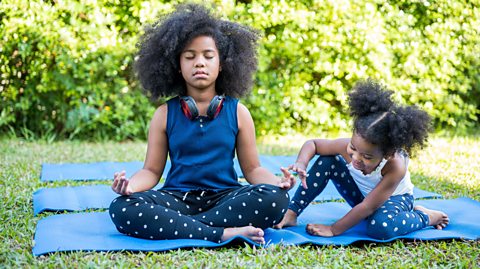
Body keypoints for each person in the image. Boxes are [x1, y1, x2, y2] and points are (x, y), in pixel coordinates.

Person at [109, 3, 295, 244]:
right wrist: (130, 187)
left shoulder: (239, 112)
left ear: (222, 64)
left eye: (208, 56)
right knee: (122, 207)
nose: (199, 63)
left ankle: (182, 228)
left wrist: (277, 183)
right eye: (190, 56)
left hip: (226, 198)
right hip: (177, 200)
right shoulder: (164, 114)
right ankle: (220, 232)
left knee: (276, 199)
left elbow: (252, 170)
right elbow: (152, 171)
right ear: (177, 65)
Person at [275, 79, 449, 239]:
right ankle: (292, 212)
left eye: (366, 156)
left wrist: (334, 229)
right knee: (327, 160)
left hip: (393, 200)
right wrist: (301, 163)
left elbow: (368, 207)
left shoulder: (395, 166)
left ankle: (424, 216)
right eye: (353, 148)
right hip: (363, 197)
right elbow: (313, 143)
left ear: (387, 154)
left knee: (380, 228)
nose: (356, 158)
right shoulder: (348, 149)